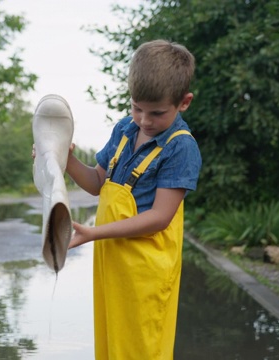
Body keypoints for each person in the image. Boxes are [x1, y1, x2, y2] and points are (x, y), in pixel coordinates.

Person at [65, 39, 202, 359]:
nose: (144, 120)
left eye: (156, 113)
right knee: (112, 346)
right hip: (113, 264)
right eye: (137, 108)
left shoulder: (181, 147)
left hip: (146, 274)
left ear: (184, 102)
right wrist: (65, 159)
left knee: (141, 350)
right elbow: (98, 182)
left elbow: (159, 218)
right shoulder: (125, 129)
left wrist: (93, 233)